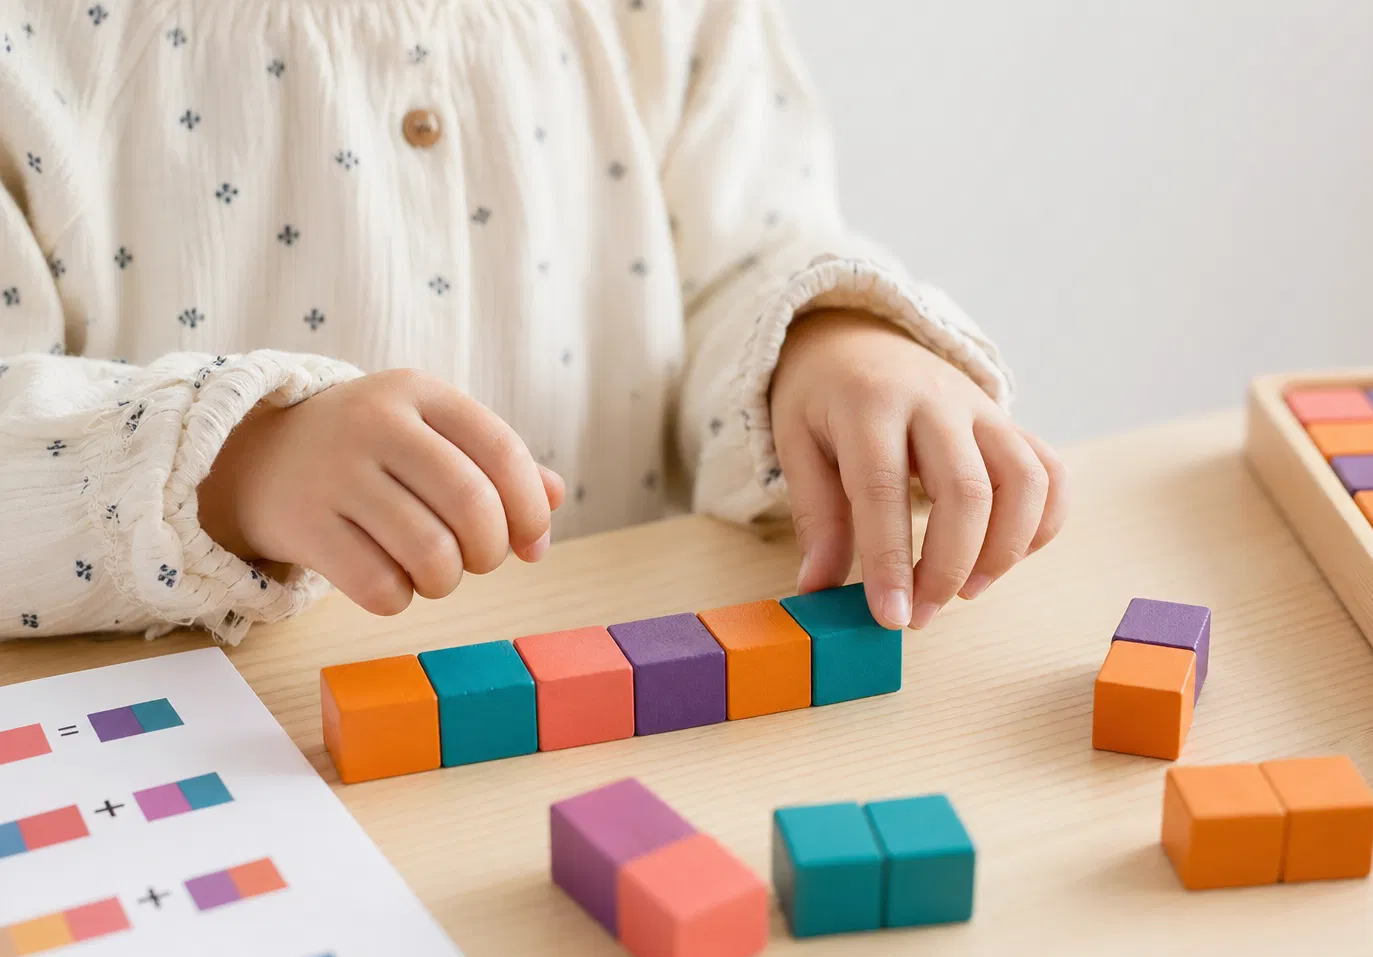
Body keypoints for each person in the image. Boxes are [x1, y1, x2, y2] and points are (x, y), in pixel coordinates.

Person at [0, 0, 1066, 646]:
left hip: (632, 722)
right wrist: (237, 467)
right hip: (233, 779)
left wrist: (833, 340)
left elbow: (748, 250)